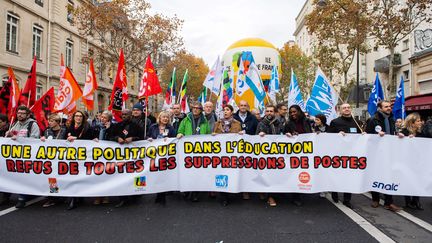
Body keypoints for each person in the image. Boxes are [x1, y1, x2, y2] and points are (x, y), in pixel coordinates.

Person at [365, 101, 402, 212]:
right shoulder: (373, 120)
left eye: (389, 106)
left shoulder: (391, 119)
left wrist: (398, 135)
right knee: (376, 175)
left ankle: (388, 202)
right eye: (386, 106)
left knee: (389, 176)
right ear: (380, 108)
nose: (389, 108)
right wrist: (376, 135)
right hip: (376, 153)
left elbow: (392, 133)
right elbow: (367, 136)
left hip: (389, 152)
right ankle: (375, 199)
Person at [328, 103, 363, 209]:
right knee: (337, 175)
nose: (347, 109)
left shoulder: (357, 122)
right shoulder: (335, 122)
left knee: (349, 177)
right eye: (344, 108)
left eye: (348, 107)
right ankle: (334, 193)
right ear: (340, 110)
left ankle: (347, 199)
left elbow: (359, 136)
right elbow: (328, 136)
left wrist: (363, 136)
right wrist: (337, 135)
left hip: (352, 154)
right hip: (338, 154)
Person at [5, 106, 40, 208]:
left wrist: (19, 138)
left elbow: (34, 139)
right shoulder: (16, 123)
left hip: (28, 154)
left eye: (22, 113)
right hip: (16, 154)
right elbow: (13, 134)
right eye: (18, 113)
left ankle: (22, 198)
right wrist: (10, 134)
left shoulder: (33, 124)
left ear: (28, 115)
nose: (19, 115)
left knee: (23, 176)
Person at [177, 102, 211, 202]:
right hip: (187, 149)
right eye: (194, 108)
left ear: (201, 110)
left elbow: (208, 134)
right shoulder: (185, 120)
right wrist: (179, 133)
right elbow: (180, 131)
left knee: (198, 171)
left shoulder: (204, 121)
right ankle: (187, 190)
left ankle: (196, 192)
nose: (195, 110)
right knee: (187, 170)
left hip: (200, 149)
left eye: (198, 108)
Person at [213, 105, 243, 206]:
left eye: (227, 110)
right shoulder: (217, 124)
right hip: (220, 153)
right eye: (224, 110)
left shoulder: (237, 123)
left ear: (231, 112)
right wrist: (213, 135)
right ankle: (223, 196)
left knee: (231, 172)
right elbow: (212, 137)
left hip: (232, 153)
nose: (225, 112)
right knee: (221, 172)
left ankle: (231, 192)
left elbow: (240, 137)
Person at [114, 109, 144, 207]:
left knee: (135, 173)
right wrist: (117, 138)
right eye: (122, 114)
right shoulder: (117, 125)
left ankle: (136, 193)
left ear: (130, 115)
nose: (123, 116)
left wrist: (133, 139)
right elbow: (110, 136)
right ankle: (123, 198)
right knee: (121, 175)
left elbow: (142, 138)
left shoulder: (137, 126)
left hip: (134, 155)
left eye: (126, 114)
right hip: (121, 155)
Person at [284, 105, 312, 206]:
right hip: (293, 152)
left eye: (294, 112)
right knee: (294, 173)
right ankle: (296, 196)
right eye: (291, 112)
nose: (293, 114)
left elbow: (310, 133)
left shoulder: (306, 121)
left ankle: (302, 191)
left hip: (305, 151)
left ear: (299, 111)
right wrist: (287, 134)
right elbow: (283, 135)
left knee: (303, 172)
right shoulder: (288, 123)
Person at [65, 110, 94, 210]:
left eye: (80, 116)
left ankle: (78, 196)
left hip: (82, 157)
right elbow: (62, 141)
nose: (78, 118)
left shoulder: (87, 128)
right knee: (72, 176)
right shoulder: (69, 128)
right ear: (73, 117)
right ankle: (74, 198)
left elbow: (90, 140)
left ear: (83, 118)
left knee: (80, 176)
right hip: (71, 157)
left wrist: (76, 139)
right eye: (76, 116)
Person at [147, 111, 176, 205]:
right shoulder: (153, 127)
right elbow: (147, 136)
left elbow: (174, 139)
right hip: (154, 154)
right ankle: (158, 194)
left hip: (166, 155)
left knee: (164, 174)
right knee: (156, 174)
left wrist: (169, 140)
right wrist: (149, 138)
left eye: (167, 117)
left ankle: (162, 196)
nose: (165, 119)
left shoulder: (170, 128)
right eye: (163, 117)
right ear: (159, 118)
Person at [256, 105, 283, 207]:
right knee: (266, 174)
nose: (269, 113)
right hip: (265, 154)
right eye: (267, 111)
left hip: (277, 153)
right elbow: (254, 139)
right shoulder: (261, 123)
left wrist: (287, 135)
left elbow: (283, 134)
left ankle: (272, 195)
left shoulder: (279, 124)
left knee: (274, 175)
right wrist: (259, 135)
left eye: (271, 111)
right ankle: (269, 196)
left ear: (275, 112)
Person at [398, 112, 425, 210]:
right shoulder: (404, 132)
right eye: (418, 121)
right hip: (407, 161)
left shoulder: (421, 132)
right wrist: (403, 138)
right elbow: (398, 144)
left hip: (418, 161)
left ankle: (416, 200)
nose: (420, 122)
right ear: (412, 123)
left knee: (417, 180)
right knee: (408, 179)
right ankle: (408, 201)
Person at [40, 113, 68, 208]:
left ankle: (63, 195)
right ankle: (53, 196)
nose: (49, 123)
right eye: (49, 121)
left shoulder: (64, 130)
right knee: (52, 177)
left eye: (52, 121)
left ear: (57, 122)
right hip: (50, 158)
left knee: (62, 176)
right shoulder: (47, 131)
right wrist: (42, 139)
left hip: (62, 157)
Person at [92, 110, 116, 205]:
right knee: (97, 175)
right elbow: (91, 136)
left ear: (109, 119)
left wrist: (109, 129)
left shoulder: (113, 127)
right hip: (97, 155)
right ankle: (97, 196)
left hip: (108, 155)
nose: (102, 119)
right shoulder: (96, 127)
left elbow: (114, 138)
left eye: (105, 118)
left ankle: (106, 196)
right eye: (101, 117)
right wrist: (93, 139)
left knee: (106, 175)